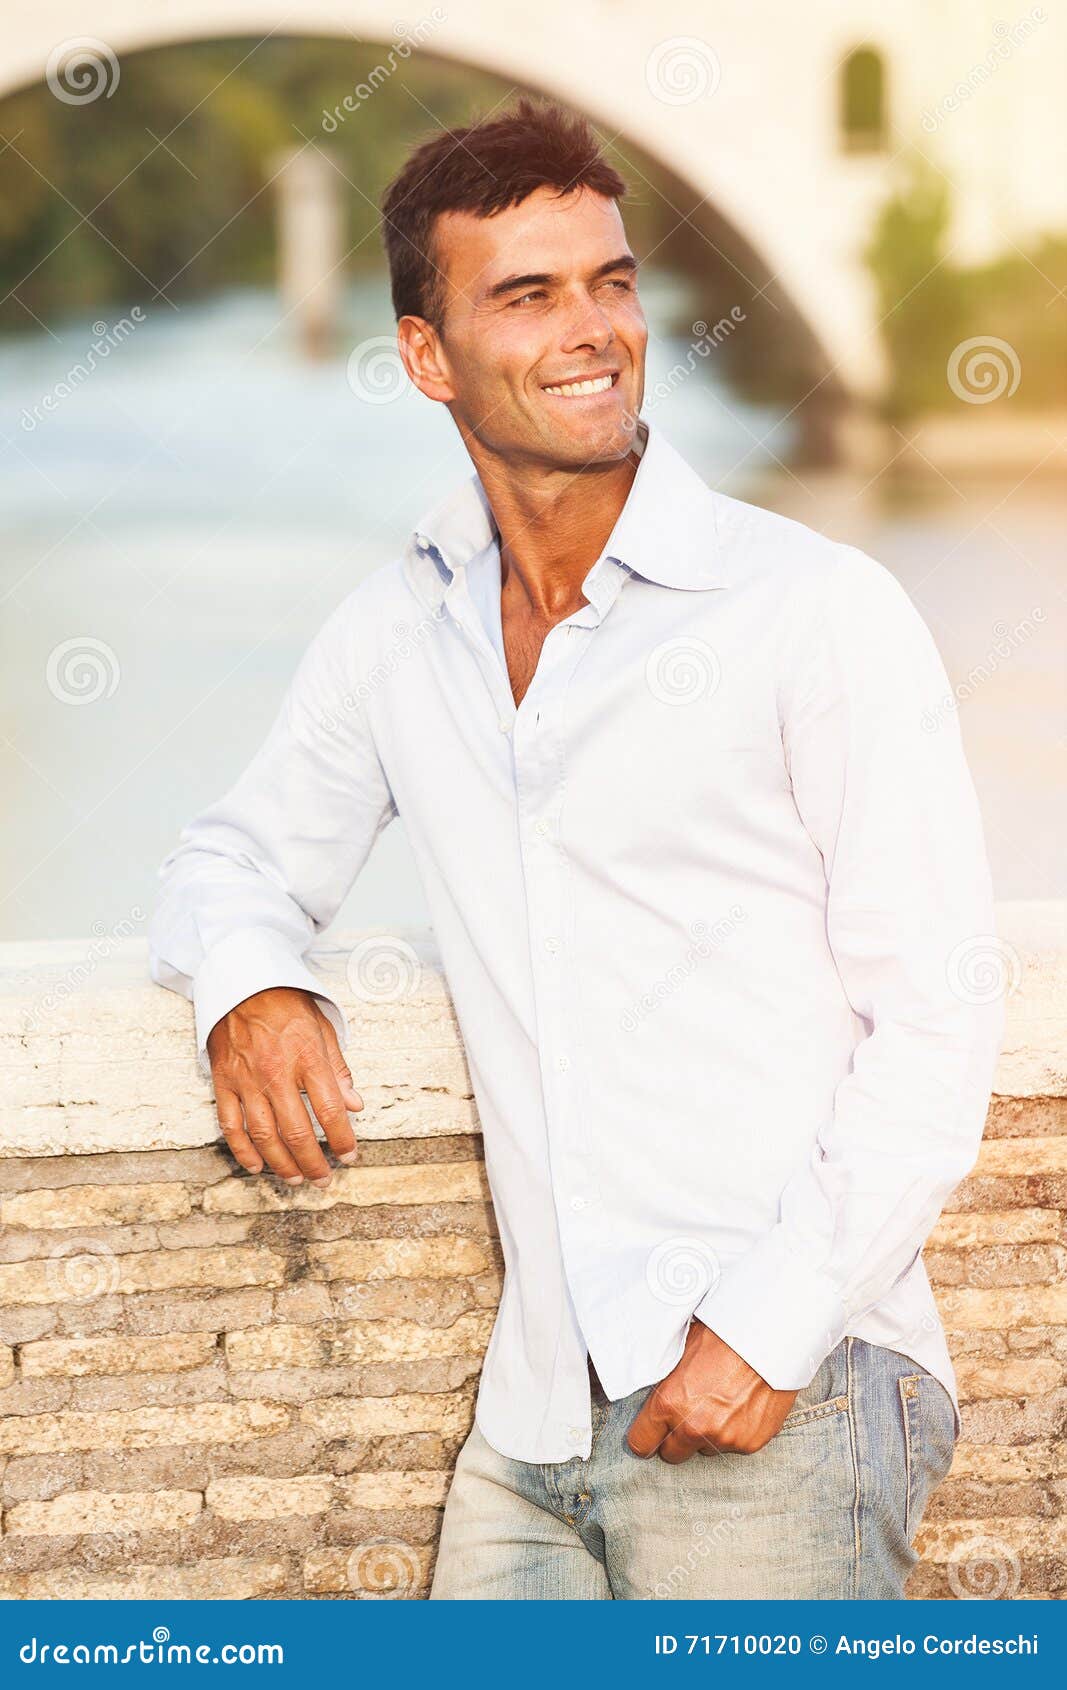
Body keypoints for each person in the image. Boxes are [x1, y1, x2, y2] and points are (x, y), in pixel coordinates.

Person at [148, 96, 1005, 1599]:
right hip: (531, 1425)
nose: (593, 328)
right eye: (528, 295)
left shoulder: (812, 608)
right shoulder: (399, 628)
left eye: (611, 282)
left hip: (775, 1401)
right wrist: (249, 983)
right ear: (427, 355)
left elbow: (939, 1013)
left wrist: (766, 1327)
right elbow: (234, 854)